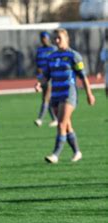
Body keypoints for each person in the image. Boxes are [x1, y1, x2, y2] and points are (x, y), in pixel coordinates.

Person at [35, 28, 96, 164]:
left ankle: (55, 154)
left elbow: (83, 77)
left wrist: (89, 94)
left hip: (68, 95)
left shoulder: (74, 56)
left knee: (61, 124)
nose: (57, 41)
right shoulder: (52, 56)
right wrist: (39, 84)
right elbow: (45, 75)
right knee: (67, 125)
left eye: (59, 38)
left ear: (67, 39)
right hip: (55, 95)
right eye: (55, 38)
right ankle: (77, 152)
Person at [34, 31, 58, 127]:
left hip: (50, 77)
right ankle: (55, 119)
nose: (43, 40)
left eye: (45, 37)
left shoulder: (53, 49)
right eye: (42, 38)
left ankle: (40, 119)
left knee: (45, 98)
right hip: (42, 77)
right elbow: (37, 64)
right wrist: (38, 79)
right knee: (48, 99)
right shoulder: (39, 50)